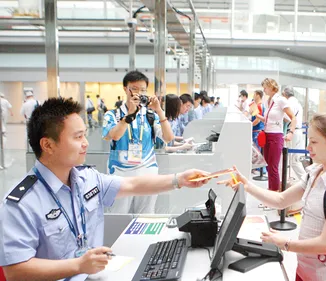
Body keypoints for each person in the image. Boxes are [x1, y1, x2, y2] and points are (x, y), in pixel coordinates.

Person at [0, 97, 209, 281]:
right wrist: (77, 265)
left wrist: (179, 179)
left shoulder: (86, 178)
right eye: (78, 137)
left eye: (84, 135)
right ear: (48, 145)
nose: (85, 143)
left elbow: (132, 184)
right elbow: (16, 271)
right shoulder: (21, 203)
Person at [218, 113, 326, 281]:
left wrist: (284, 243)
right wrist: (246, 185)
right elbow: (281, 200)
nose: (308, 147)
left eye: (314, 142)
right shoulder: (316, 172)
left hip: (324, 276)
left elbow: (325, 244)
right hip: (305, 268)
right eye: (308, 141)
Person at [102, 71, 175, 214]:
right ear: (125, 89)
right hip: (119, 175)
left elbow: (168, 137)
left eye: (143, 90)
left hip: (147, 173)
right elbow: (114, 136)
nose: (138, 93)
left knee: (146, 216)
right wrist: (129, 114)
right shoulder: (113, 115)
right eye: (134, 89)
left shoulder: (150, 116)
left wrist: (159, 111)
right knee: (118, 216)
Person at [261, 78, 296, 192]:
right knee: (268, 166)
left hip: (276, 136)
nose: (264, 90)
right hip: (267, 135)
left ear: (271, 87)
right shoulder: (268, 101)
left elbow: (293, 117)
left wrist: (291, 132)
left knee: (273, 167)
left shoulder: (280, 100)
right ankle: (270, 191)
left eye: (265, 87)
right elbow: (270, 119)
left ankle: (274, 194)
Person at [282, 86, 306, 180]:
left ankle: (306, 181)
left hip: (293, 132)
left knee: (294, 161)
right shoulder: (297, 102)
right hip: (297, 131)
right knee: (294, 159)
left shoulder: (290, 103)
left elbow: (288, 118)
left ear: (284, 94)